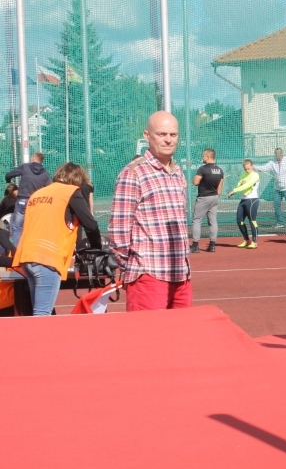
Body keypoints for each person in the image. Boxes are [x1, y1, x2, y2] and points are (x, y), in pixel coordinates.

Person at [109, 111, 191, 312]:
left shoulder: (177, 172)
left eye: (173, 135)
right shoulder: (133, 173)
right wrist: (132, 266)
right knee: (149, 339)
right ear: (147, 136)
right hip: (149, 275)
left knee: (184, 338)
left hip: (180, 273)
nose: (168, 140)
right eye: (161, 134)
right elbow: (119, 231)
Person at [12, 162, 101, 316]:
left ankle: (38, 338)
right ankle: (38, 340)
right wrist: (97, 248)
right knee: (42, 314)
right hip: (47, 257)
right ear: (77, 178)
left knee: (38, 311)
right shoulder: (70, 192)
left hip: (27, 255)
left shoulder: (38, 193)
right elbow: (90, 224)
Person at [5, 151, 51, 244]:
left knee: (17, 227)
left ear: (33, 159)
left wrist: (8, 180)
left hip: (22, 200)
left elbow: (9, 175)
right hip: (37, 202)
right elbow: (49, 189)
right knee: (33, 226)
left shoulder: (25, 167)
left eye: (31, 158)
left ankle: (17, 250)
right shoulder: (46, 173)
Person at [190, 148, 224, 253]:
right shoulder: (220, 170)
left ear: (208, 157)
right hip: (214, 197)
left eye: (203, 156)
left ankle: (195, 245)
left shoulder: (202, 169)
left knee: (197, 220)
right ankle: (212, 245)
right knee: (213, 221)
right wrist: (216, 197)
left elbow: (195, 182)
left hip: (204, 197)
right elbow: (220, 188)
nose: (202, 157)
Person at [258, 148, 286, 228]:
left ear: (282, 153)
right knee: (276, 204)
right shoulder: (272, 162)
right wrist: (253, 167)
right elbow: (264, 168)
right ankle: (279, 223)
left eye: (278, 153)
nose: (277, 155)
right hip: (278, 188)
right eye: (275, 153)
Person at [227, 160, 260, 249]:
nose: (247, 171)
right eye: (245, 169)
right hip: (243, 200)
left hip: (252, 200)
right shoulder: (243, 174)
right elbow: (239, 184)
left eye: (248, 168)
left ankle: (254, 242)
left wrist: (234, 190)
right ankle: (246, 240)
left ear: (252, 166)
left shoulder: (255, 175)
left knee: (252, 221)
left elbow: (247, 185)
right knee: (239, 220)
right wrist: (239, 185)